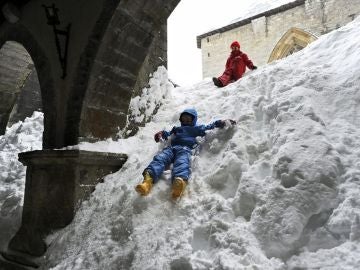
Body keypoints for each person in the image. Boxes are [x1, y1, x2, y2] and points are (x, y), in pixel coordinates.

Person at [135, 108, 236, 199]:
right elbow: (167, 134)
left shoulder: (197, 128)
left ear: (194, 120)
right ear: (181, 120)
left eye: (189, 119)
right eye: (184, 119)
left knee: (182, 162)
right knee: (160, 158)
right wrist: (161, 134)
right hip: (171, 148)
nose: (186, 121)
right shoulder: (177, 129)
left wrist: (222, 122)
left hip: (185, 149)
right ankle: (147, 181)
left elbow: (211, 126)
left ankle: (179, 183)